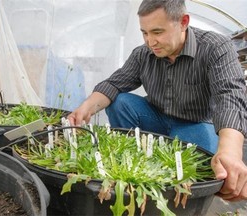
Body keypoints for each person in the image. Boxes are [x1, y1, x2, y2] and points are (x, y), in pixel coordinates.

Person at [68, 0, 247, 201]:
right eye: (145, 33)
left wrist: (230, 151)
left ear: (183, 22)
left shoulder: (215, 48)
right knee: (120, 101)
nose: (150, 41)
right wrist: (86, 108)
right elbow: (113, 85)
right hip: (156, 117)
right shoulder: (143, 54)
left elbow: (230, 95)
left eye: (157, 32)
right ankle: (131, 161)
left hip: (194, 124)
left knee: (196, 172)